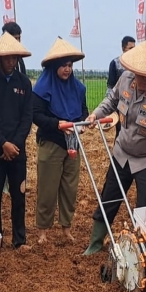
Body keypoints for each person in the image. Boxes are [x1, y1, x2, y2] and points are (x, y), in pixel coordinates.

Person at [83, 38, 146, 255]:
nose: (142, 80)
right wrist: (96, 114)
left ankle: (142, 252)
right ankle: (95, 244)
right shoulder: (124, 79)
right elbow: (111, 101)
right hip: (122, 153)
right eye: (139, 74)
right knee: (109, 198)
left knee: (145, 208)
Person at [0, 32, 33, 250]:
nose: (11, 62)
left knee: (19, 196)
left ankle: (19, 240)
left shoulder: (24, 83)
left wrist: (15, 145)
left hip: (17, 150)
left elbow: (27, 117)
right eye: (7, 57)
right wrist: (3, 144)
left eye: (14, 58)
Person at [32, 37, 87, 244]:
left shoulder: (78, 88)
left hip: (73, 143)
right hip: (51, 142)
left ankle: (66, 228)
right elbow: (36, 115)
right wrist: (58, 124)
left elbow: (83, 111)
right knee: (47, 188)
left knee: (70, 187)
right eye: (63, 65)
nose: (67, 69)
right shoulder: (42, 88)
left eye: (70, 65)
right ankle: (43, 231)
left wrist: (79, 125)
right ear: (54, 66)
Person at [105, 36, 136, 135]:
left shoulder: (137, 64)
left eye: (134, 48)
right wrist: (111, 108)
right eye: (130, 48)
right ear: (123, 48)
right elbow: (110, 87)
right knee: (120, 132)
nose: (133, 51)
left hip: (135, 105)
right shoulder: (115, 63)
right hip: (120, 105)